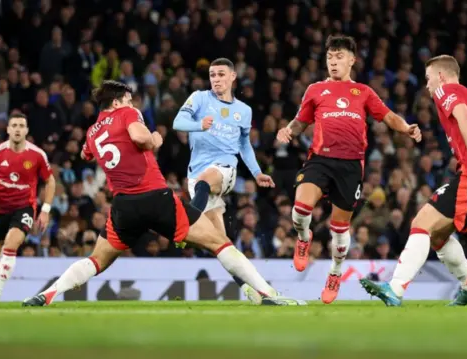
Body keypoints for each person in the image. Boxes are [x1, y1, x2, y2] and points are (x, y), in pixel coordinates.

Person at [22, 81, 300, 307]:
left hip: (123, 207)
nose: (132, 104)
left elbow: (85, 154)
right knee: (219, 242)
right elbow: (141, 138)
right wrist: (155, 138)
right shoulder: (129, 114)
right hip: (155, 198)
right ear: (117, 102)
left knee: (96, 260)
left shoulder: (93, 131)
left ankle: (49, 293)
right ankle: (268, 295)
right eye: (129, 99)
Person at [277, 35, 421, 304]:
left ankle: (334, 273)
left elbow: (387, 115)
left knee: (339, 229)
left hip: (351, 166)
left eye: (339, 57)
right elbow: (300, 121)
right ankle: (303, 237)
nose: (333, 62)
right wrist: (288, 130)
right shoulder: (315, 90)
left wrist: (407, 127)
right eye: (330, 57)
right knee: (299, 210)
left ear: (352, 61)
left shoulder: (363, 92)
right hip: (320, 159)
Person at [360, 55, 467, 306]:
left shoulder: (446, 91)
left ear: (440, 76)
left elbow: (465, 118)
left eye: (428, 79)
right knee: (437, 235)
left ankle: (395, 288)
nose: (427, 86)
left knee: (422, 223)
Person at [172, 57, 275, 304]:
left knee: (206, 181)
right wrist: (198, 125)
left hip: (225, 169)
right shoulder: (198, 98)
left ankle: (184, 226)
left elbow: (244, 145)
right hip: (195, 173)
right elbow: (177, 122)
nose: (216, 79)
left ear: (232, 77)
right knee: (221, 243)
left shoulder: (244, 111)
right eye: (212, 75)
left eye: (220, 74)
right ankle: (250, 289)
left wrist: (257, 172)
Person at [0, 113, 56, 302]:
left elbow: (50, 181)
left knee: (11, 244)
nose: (18, 129)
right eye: (14, 125)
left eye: (22, 125)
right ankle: (3, 264)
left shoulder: (37, 155)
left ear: (27, 130)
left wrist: (45, 210)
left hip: (24, 208)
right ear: (8, 129)